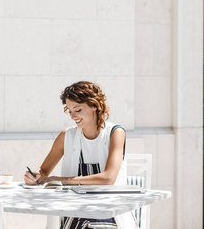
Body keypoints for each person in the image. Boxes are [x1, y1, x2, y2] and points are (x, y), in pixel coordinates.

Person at [24, 81, 131, 229]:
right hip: (73, 208)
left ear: (94, 105)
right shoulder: (66, 136)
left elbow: (108, 178)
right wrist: (34, 176)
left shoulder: (115, 133)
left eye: (78, 110)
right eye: (70, 111)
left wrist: (62, 180)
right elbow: (43, 171)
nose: (73, 116)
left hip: (108, 207)